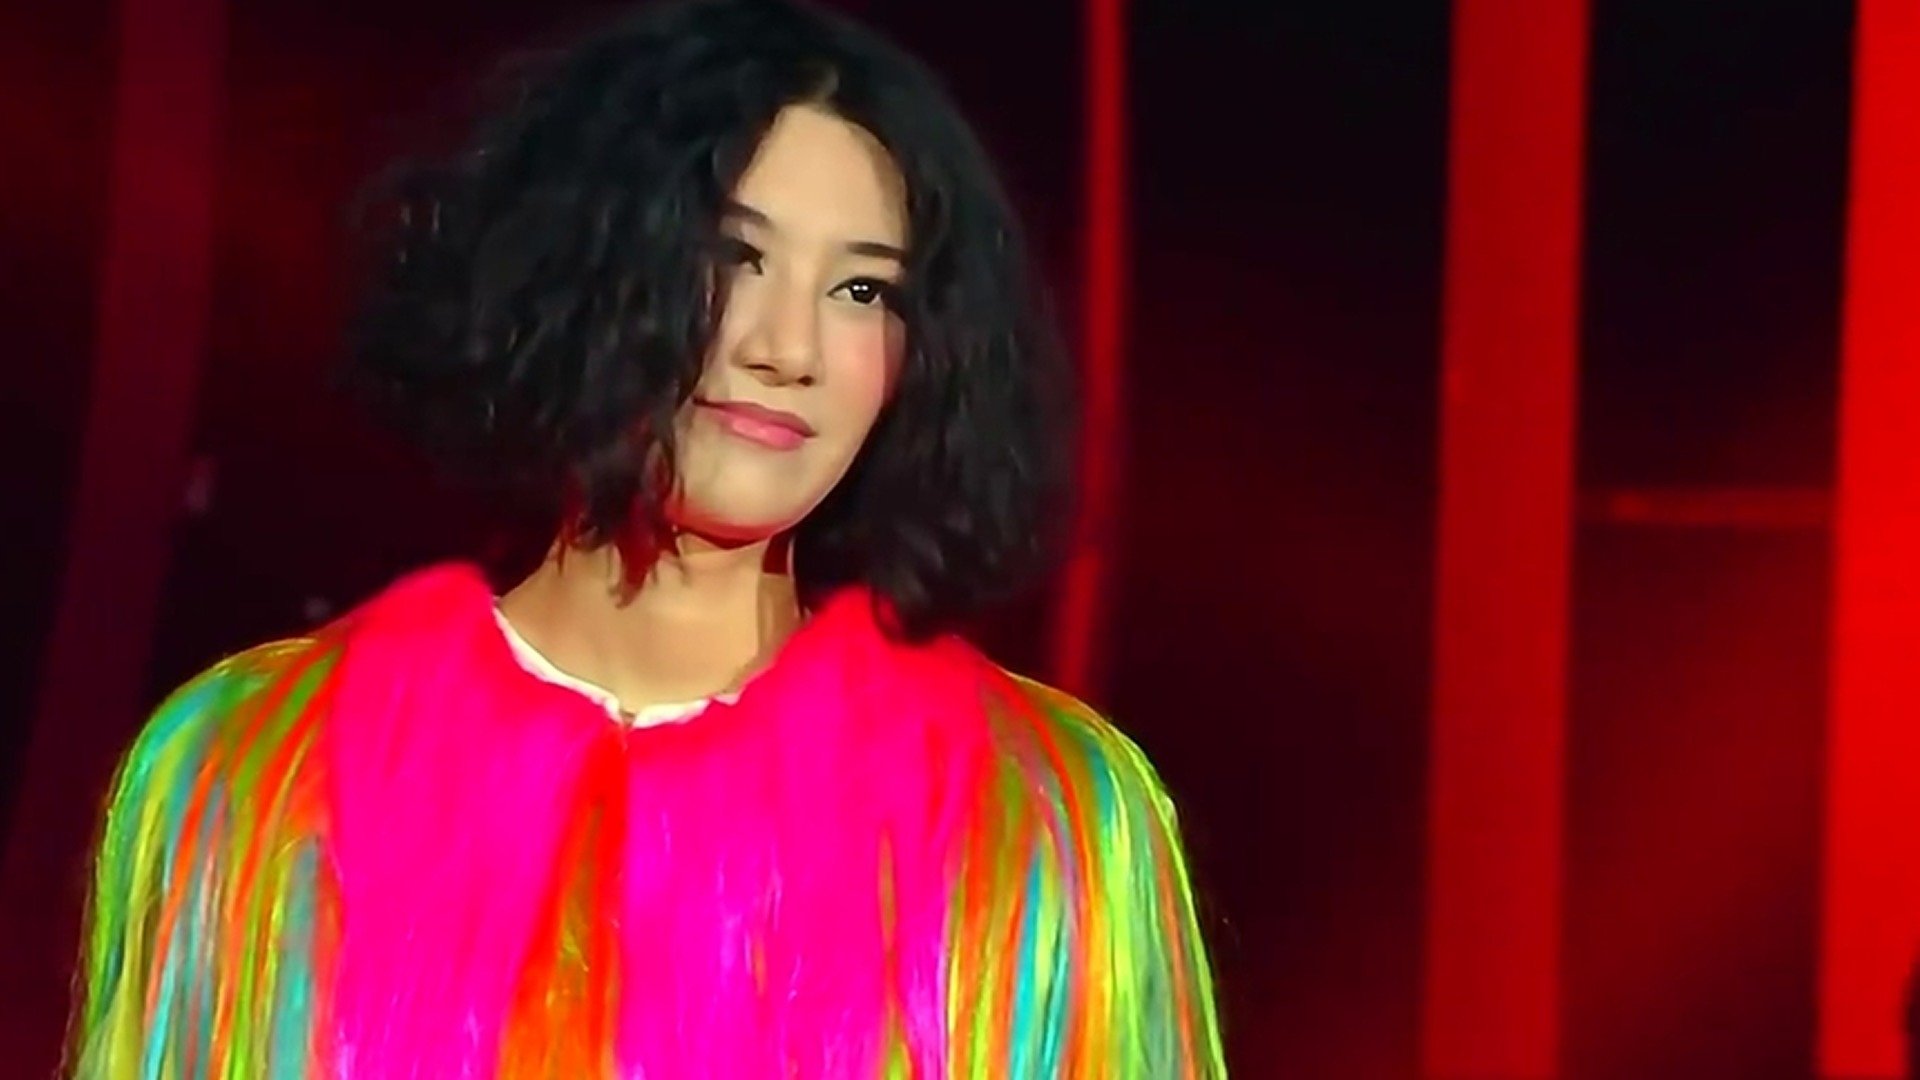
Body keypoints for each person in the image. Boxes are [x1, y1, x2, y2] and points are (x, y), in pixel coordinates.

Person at [68, 0, 1224, 1075]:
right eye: (733, 257)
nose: (790, 348)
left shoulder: (1036, 819)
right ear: (581, 268)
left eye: (864, 292)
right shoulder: (260, 775)